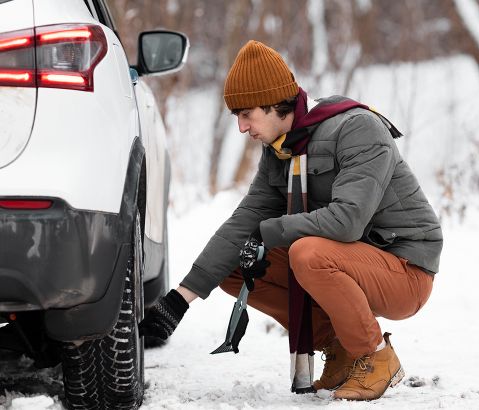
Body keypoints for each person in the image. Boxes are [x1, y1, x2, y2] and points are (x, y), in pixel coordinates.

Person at [139, 40, 443, 401]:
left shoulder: (357, 129)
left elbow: (347, 222)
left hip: (404, 268)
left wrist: (271, 231)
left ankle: (375, 356)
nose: (241, 127)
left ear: (273, 103)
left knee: (307, 253)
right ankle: (341, 347)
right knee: (239, 266)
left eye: (246, 114)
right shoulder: (281, 149)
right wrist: (180, 299)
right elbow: (245, 222)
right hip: (351, 260)